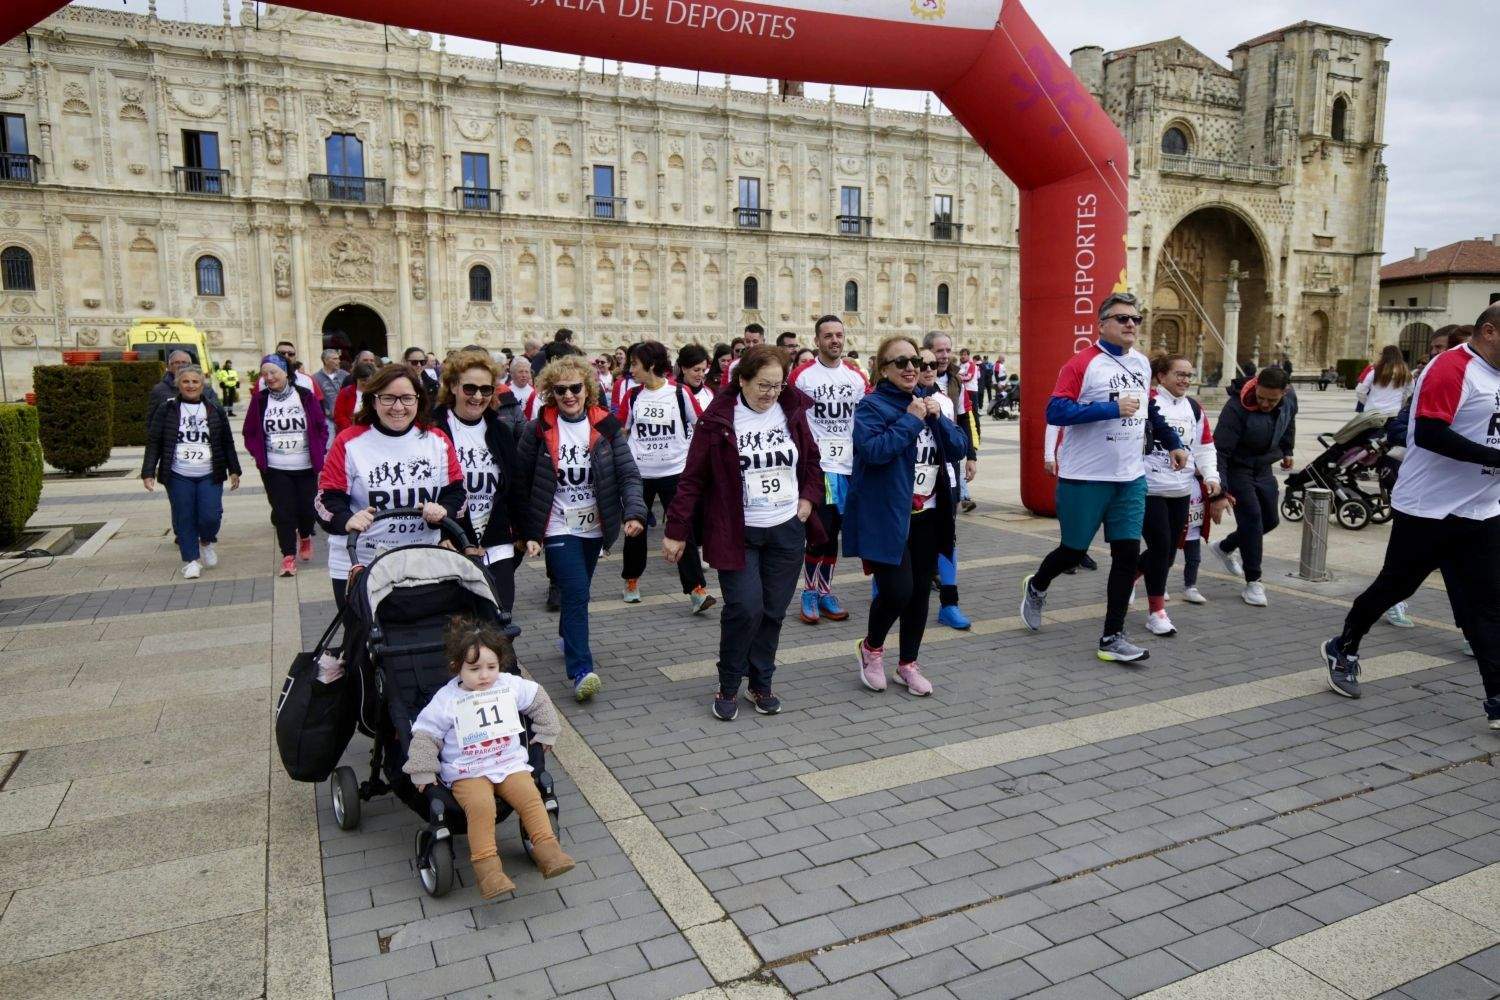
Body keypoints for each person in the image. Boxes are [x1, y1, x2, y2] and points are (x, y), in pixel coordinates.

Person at [1322, 304, 1500, 728]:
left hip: (1482, 510)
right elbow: (1431, 433)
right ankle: (1343, 646)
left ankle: (1496, 698)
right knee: (1394, 588)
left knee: (1489, 606)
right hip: (1428, 509)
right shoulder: (1452, 367)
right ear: (1490, 331)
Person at [1019, 293, 1189, 662]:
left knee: (1126, 555)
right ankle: (1037, 585)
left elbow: (1150, 414)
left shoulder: (1142, 364)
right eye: (1122, 318)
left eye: (1136, 319)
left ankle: (1112, 637)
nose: (1131, 324)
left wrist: (1174, 442)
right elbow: (1055, 410)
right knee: (1073, 551)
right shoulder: (1082, 363)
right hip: (1086, 476)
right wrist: (1110, 407)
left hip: (1130, 477)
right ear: (1103, 324)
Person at [664, 345, 822, 720]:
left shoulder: (792, 410)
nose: (771, 393)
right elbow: (692, 479)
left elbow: (812, 461)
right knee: (744, 608)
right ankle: (729, 682)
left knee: (773, 611)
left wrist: (809, 499)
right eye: (763, 385)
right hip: (738, 531)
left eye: (778, 385)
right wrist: (676, 530)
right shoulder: (718, 419)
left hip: (786, 529)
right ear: (743, 380)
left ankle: (761, 681)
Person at [404, 617, 572, 899]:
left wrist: (546, 731)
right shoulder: (447, 699)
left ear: (500, 664)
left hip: (507, 762)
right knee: (481, 807)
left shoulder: (507, 685)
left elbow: (538, 698)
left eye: (491, 667)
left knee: (530, 796)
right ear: (457, 667)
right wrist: (422, 769)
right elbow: (425, 733)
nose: (484, 675)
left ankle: (548, 849)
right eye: (475, 669)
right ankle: (488, 869)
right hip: (468, 770)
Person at [516, 354, 646, 702]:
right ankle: (581, 671)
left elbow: (628, 474)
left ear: (587, 390)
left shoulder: (605, 425)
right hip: (558, 525)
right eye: (560, 390)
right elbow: (522, 481)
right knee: (576, 594)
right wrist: (530, 532)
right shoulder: (538, 428)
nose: (569, 396)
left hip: (594, 525)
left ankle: (566, 634)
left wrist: (634, 512)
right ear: (550, 393)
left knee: (579, 589)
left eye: (575, 388)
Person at [848, 336, 968, 694]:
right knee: (897, 590)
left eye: (915, 360)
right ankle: (871, 648)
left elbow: (959, 447)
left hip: (929, 513)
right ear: (883, 369)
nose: (911, 367)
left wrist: (937, 418)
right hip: (889, 515)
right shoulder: (872, 406)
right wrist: (912, 420)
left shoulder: (930, 404)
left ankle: (908, 663)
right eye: (900, 362)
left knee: (919, 593)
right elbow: (873, 451)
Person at [315, 363, 466, 611]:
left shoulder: (436, 440)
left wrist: (443, 511)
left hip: (421, 558)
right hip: (361, 560)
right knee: (361, 640)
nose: (398, 407)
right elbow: (326, 499)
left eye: (407, 398)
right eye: (388, 398)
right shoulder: (349, 441)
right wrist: (346, 519)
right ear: (373, 401)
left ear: (418, 401)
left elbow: (457, 493)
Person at [615, 340, 714, 612]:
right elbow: (621, 433)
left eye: (634, 364)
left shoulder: (680, 393)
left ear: (651, 365)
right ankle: (632, 580)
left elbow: (704, 426)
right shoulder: (633, 396)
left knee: (683, 529)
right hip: (639, 474)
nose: (630, 370)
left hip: (675, 473)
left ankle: (696, 590)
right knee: (635, 529)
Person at [790, 316, 869, 625]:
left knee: (833, 534)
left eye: (839, 335)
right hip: (817, 469)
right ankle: (808, 592)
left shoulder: (857, 378)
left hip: (847, 469)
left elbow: (865, 419)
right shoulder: (802, 376)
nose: (834, 340)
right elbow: (791, 418)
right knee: (817, 534)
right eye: (828, 336)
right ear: (817, 340)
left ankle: (825, 590)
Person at [434, 349, 526, 614]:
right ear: (453, 386)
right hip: (451, 538)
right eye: (470, 388)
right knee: (460, 619)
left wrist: (527, 532)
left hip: (496, 538)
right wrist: (441, 534)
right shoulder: (433, 429)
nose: (477, 397)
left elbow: (515, 485)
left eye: (486, 390)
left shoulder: (499, 430)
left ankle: (503, 657)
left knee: (500, 611)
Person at [1137, 354, 1221, 636]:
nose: (1186, 380)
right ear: (1161, 376)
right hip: (1150, 488)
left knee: (1170, 551)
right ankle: (1157, 612)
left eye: (1189, 375)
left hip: (1181, 489)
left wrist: (1211, 477)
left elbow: (1205, 447)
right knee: (1160, 547)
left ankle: (1128, 576)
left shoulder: (1195, 408)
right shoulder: (1147, 402)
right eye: (1179, 374)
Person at [1208, 366, 1297, 607]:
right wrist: (1221, 491)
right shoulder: (1236, 407)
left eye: (1272, 399)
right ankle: (1254, 582)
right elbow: (1220, 451)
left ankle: (1224, 547)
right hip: (1238, 467)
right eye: (1261, 397)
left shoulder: (1289, 399)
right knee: (1252, 520)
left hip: (1263, 466)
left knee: (1270, 521)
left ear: (1284, 392)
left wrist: (1287, 449)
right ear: (1255, 386)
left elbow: (1288, 421)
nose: (1265, 404)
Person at [142, 364, 241, 579]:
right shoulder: (166, 409)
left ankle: (206, 541)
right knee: (184, 516)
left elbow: (227, 442)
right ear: (178, 384)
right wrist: (148, 471)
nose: (190, 385)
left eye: (195, 381)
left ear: (202, 384)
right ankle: (191, 560)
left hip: (209, 473)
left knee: (211, 515)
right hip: (178, 474)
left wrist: (234, 469)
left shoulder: (215, 409)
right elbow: (154, 442)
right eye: (185, 381)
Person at [244, 354, 328, 576]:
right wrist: (258, 454)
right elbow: (250, 431)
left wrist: (319, 450)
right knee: (283, 512)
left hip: (305, 465)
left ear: (286, 373)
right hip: (275, 467)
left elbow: (321, 427)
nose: (269, 378)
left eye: (274, 373)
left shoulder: (305, 396)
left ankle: (306, 535)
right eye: (265, 374)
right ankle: (288, 556)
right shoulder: (260, 400)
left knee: (307, 510)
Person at [917, 346, 974, 628]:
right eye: (920, 363)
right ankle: (885, 596)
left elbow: (956, 448)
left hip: (943, 484)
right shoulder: (890, 401)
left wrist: (938, 417)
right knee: (897, 545)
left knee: (947, 542)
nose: (928, 369)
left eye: (931, 364)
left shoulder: (944, 401)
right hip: (905, 491)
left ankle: (949, 604)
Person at [924, 333, 979, 513]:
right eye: (939, 351)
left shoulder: (956, 380)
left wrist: (970, 456)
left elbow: (964, 419)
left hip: (950, 455)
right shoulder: (917, 380)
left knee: (950, 508)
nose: (945, 355)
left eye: (948, 350)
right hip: (925, 456)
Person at [148, 350, 220, 425]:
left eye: (184, 362)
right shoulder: (159, 390)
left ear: (191, 365)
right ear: (169, 367)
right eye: (177, 362)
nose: (181, 365)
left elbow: (218, 413)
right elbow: (152, 420)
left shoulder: (205, 389)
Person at [1355, 345, 1413, 418]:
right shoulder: (1406, 374)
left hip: (1373, 412)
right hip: (1393, 411)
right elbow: (1409, 392)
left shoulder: (1374, 372)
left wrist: (1368, 402)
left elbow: (1360, 390)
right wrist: (1400, 402)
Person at [332, 360, 377, 435]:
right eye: (363, 380)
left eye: (369, 380)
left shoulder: (377, 393)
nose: (366, 383)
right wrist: (352, 430)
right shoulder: (345, 392)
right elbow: (339, 416)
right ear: (356, 378)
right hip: (350, 433)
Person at [677, 344, 715, 412]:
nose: (701, 374)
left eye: (703, 370)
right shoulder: (671, 391)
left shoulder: (708, 393)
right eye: (696, 370)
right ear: (684, 369)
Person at [313, 349, 349, 417]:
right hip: (327, 419)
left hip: (345, 417)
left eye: (338, 359)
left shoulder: (346, 375)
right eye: (335, 359)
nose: (339, 361)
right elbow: (316, 400)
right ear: (325, 361)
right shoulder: (315, 378)